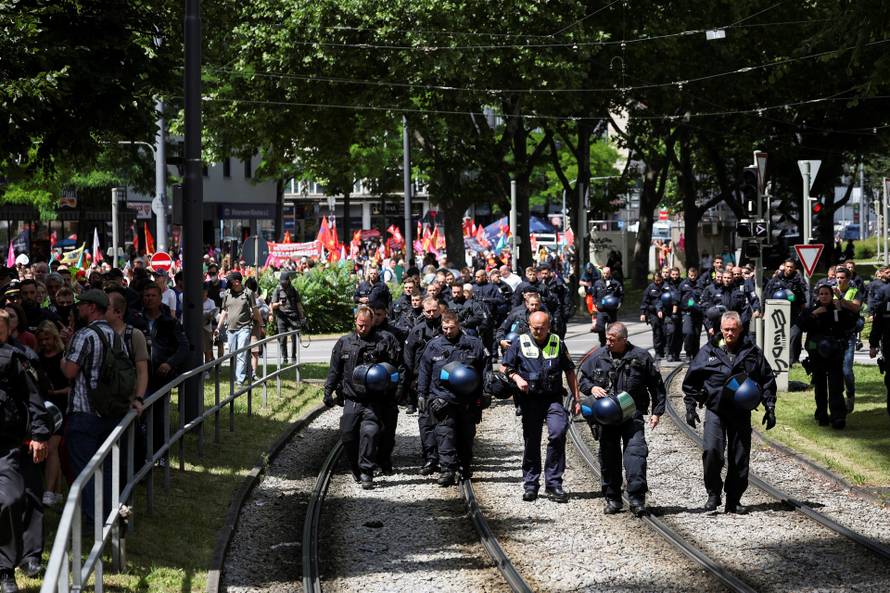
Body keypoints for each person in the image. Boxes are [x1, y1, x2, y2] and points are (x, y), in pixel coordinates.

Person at [682, 311, 777, 514]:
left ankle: (733, 499)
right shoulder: (708, 351)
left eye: (734, 329)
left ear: (741, 329)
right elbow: (691, 380)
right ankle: (713, 493)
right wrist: (690, 406)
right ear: (720, 330)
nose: (730, 333)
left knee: (739, 457)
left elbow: (767, 379)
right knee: (712, 451)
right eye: (726, 329)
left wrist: (770, 407)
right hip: (716, 409)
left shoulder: (752, 351)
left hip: (741, 411)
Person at [62, 290, 143, 522]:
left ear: (91, 307)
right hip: (110, 411)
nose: (78, 309)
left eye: (82, 305)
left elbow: (69, 371)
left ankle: (90, 519)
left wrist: (63, 357)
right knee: (106, 468)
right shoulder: (114, 335)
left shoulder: (84, 335)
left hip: (84, 412)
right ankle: (107, 515)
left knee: (84, 470)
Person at [579, 322, 665, 515]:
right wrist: (592, 388)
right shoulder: (597, 357)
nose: (608, 342)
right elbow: (583, 378)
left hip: (631, 413)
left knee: (635, 455)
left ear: (623, 340)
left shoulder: (641, 357)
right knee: (609, 458)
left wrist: (657, 412)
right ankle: (613, 497)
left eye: (612, 339)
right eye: (607, 338)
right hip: (606, 417)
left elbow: (656, 385)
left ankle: (636, 498)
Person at [502, 311, 579, 503]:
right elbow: (504, 366)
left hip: (553, 398)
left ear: (549, 326)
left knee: (558, 432)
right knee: (532, 441)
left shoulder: (558, 342)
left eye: (542, 327)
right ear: (529, 325)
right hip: (530, 400)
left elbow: (570, 371)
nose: (538, 330)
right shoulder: (520, 342)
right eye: (534, 327)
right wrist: (517, 378)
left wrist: (577, 399)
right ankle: (531, 484)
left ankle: (554, 483)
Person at [0, 309, 50, 593]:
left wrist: (40, 435)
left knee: (11, 499)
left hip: (6, 446)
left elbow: (34, 399)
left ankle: (5, 569)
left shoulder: (14, 359)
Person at [323, 306, 401, 489]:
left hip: (374, 401)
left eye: (366, 325)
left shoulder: (383, 341)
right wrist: (328, 391)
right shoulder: (344, 343)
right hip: (352, 399)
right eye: (360, 325)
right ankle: (356, 469)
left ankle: (367, 471)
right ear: (355, 322)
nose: (363, 329)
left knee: (370, 433)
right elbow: (335, 370)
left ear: (372, 323)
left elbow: (395, 368)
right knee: (348, 435)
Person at [417, 311, 486, 485]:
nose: (448, 331)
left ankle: (464, 465)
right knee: (444, 433)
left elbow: (484, 370)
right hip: (442, 397)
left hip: (467, 399)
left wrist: (484, 394)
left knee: (466, 434)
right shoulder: (434, 346)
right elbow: (424, 371)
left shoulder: (473, 344)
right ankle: (448, 470)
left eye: (451, 328)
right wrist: (422, 394)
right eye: (445, 328)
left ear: (459, 325)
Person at [796, 285, 858, 429]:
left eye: (827, 294)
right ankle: (822, 414)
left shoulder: (836, 309)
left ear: (831, 295)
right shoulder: (812, 310)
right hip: (817, 354)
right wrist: (814, 314)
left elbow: (850, 323)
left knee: (836, 385)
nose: (824, 296)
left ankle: (837, 416)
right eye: (821, 294)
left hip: (835, 353)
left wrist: (840, 309)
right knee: (820, 386)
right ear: (818, 296)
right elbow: (801, 325)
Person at [404, 298, 444, 464]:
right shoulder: (417, 331)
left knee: (444, 422)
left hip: (444, 383)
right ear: (423, 311)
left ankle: (445, 456)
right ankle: (430, 456)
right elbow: (408, 358)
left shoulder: (447, 329)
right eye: (428, 311)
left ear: (439, 310)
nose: (431, 314)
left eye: (434, 310)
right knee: (425, 421)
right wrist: (410, 382)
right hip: (422, 384)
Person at [35, 322, 69, 508]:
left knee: (52, 447)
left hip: (60, 407)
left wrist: (56, 393)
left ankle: (49, 492)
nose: (45, 343)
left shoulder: (63, 358)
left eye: (48, 338)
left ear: (54, 338)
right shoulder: (38, 358)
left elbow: (71, 386)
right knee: (48, 449)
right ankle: (55, 490)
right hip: (44, 406)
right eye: (42, 340)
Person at [216, 272, 261, 385]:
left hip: (244, 328)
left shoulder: (248, 293)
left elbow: (255, 310)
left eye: (230, 281)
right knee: (233, 354)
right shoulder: (227, 294)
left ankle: (239, 380)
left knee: (241, 352)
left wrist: (260, 323)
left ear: (237, 282)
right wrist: (218, 327)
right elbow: (224, 311)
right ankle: (246, 372)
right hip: (230, 329)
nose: (227, 283)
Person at [830, 267, 863, 414]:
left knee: (846, 370)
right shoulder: (830, 290)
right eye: (837, 277)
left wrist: (841, 301)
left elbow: (856, 308)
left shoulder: (854, 291)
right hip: (833, 336)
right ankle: (837, 400)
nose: (839, 280)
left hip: (848, 336)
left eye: (842, 278)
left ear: (848, 279)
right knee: (833, 370)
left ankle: (850, 394)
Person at [765, 260, 807, 363]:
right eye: (787, 266)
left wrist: (802, 313)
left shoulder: (798, 281)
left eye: (791, 267)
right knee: (778, 337)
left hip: (794, 313)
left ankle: (792, 360)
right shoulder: (775, 280)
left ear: (794, 268)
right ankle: (777, 359)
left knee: (794, 335)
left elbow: (803, 300)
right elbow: (766, 296)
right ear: (784, 266)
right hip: (777, 314)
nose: (789, 269)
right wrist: (765, 312)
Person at [270, 271, 305, 364]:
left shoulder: (293, 290)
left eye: (285, 282)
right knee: (282, 338)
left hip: (293, 317)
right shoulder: (277, 290)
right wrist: (279, 304)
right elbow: (272, 305)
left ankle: (293, 357)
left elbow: (298, 304)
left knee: (294, 337)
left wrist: (302, 317)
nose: (283, 283)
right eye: (282, 282)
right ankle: (284, 358)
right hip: (281, 317)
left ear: (288, 281)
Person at [591, 266, 623, 347]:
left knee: (611, 330)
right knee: (600, 328)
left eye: (607, 273)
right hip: (601, 310)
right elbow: (593, 295)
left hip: (611, 311)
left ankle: (611, 345)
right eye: (604, 273)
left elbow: (621, 295)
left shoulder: (616, 283)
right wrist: (595, 303)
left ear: (610, 273)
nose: (605, 275)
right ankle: (602, 343)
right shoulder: (597, 283)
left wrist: (619, 303)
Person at [640, 272, 669, 360]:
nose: (658, 282)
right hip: (653, 313)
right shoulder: (650, 288)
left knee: (665, 331)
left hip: (664, 312)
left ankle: (666, 350)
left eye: (659, 280)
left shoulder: (666, 286)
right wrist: (643, 313)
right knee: (657, 332)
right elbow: (645, 301)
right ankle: (658, 352)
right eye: (656, 280)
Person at [679, 267, 704, 359]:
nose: (692, 277)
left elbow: (704, 296)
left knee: (696, 335)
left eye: (694, 275)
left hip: (698, 313)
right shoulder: (683, 285)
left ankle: (695, 354)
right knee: (688, 332)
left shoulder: (701, 284)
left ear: (697, 274)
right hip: (687, 313)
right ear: (688, 274)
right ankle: (688, 352)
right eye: (690, 275)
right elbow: (678, 298)